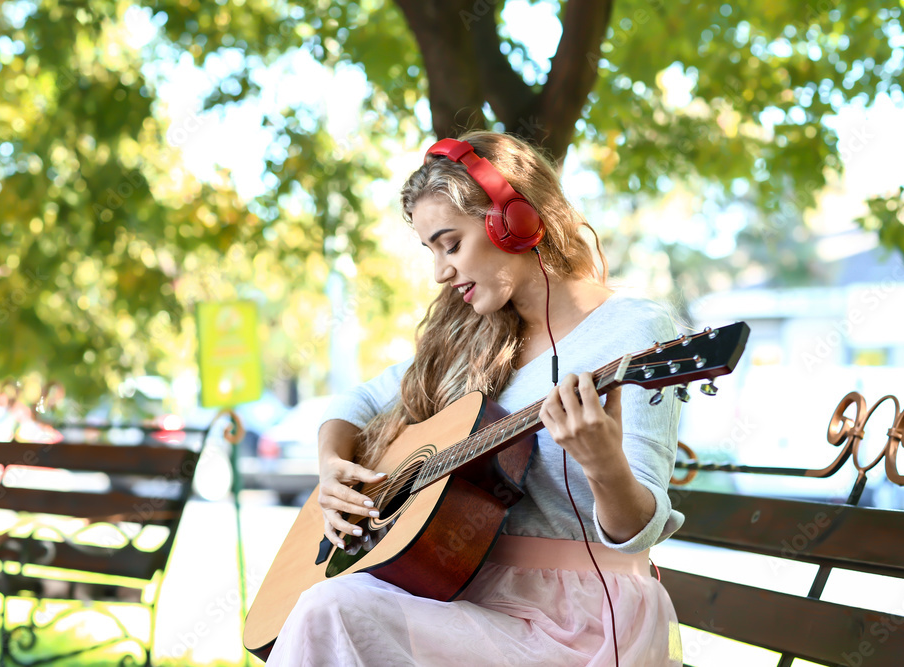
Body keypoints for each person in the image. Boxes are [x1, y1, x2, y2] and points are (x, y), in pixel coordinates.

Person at [265, 131, 684, 666]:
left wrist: (602, 464)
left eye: (451, 243)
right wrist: (332, 469)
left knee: (334, 611)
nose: (440, 271)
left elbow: (638, 532)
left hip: (581, 622)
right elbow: (357, 400)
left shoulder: (635, 329)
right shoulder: (475, 334)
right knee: (332, 607)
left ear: (513, 222)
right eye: (430, 250)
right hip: (470, 601)